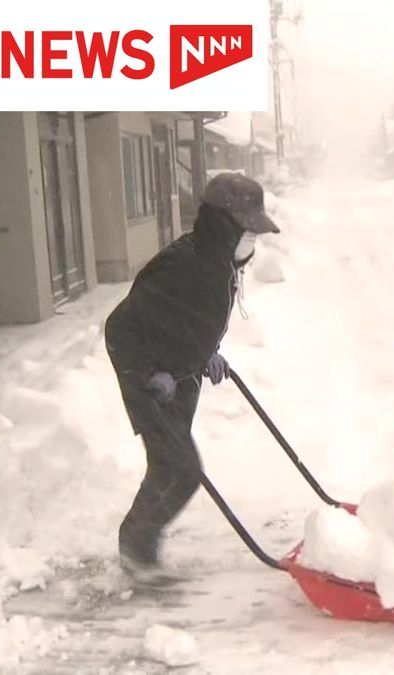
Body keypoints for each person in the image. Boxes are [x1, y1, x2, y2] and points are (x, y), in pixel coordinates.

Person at [103, 172, 280, 582]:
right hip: (148, 377)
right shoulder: (184, 266)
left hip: (179, 372)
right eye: (247, 231)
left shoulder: (216, 263)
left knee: (170, 463)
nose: (252, 242)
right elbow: (123, 326)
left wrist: (205, 354)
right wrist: (150, 374)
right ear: (224, 224)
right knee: (181, 468)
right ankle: (135, 551)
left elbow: (181, 320)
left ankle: (138, 547)